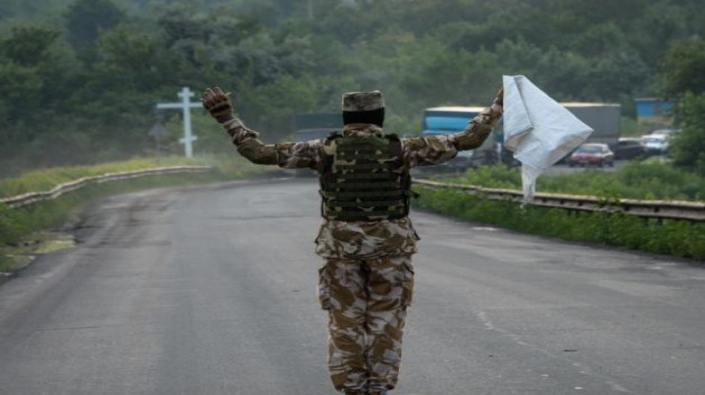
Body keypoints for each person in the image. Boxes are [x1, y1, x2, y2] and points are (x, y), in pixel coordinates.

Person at [202, 87, 503, 395]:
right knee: (386, 320)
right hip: (391, 250)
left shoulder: (322, 150)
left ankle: (353, 389)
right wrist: (494, 108)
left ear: (345, 118)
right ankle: (379, 388)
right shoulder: (404, 149)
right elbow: (468, 141)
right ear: (381, 117)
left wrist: (226, 117)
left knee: (345, 321)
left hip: (340, 251)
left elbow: (259, 153)